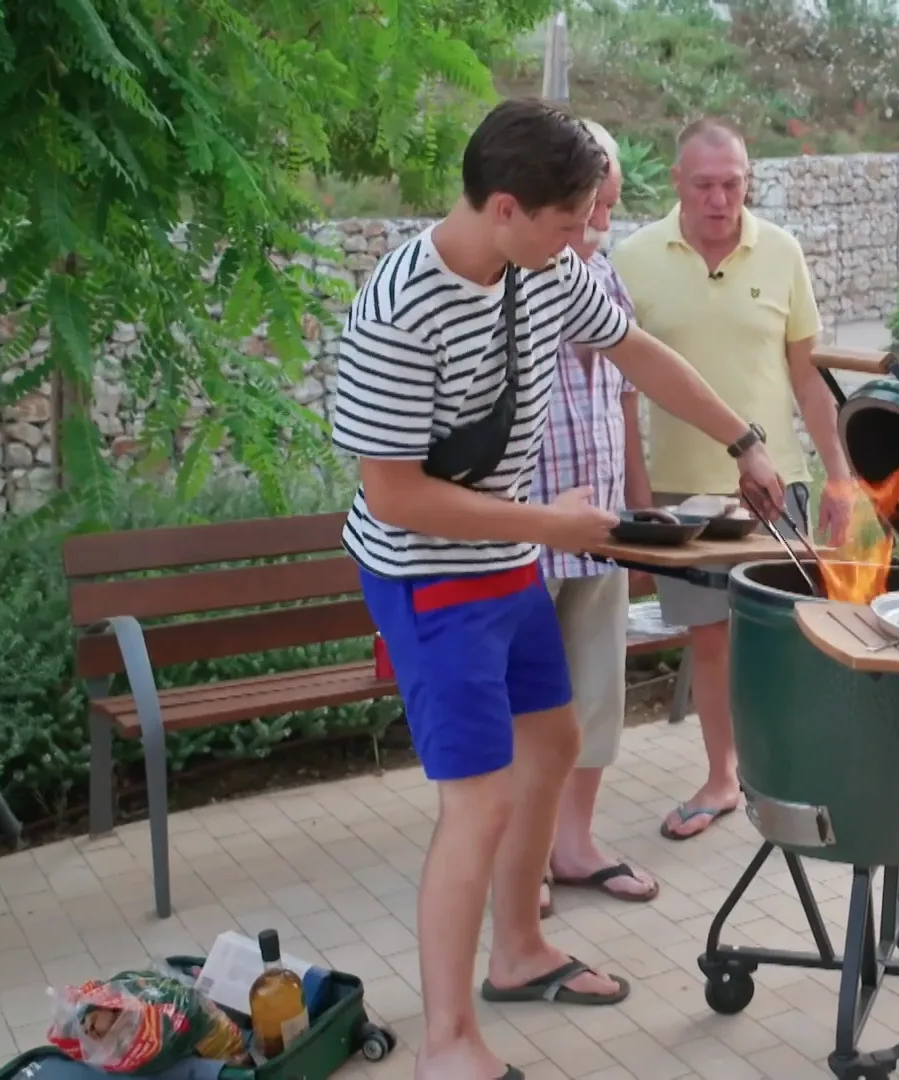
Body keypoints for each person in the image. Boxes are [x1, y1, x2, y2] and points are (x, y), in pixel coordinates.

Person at [330, 98, 785, 1080]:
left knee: (553, 741)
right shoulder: (397, 313)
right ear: (505, 208)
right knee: (477, 804)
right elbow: (395, 494)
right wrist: (550, 525)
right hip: (426, 578)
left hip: (505, 562)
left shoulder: (543, 272)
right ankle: (448, 1044)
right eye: (572, 221)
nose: (586, 240)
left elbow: (637, 352)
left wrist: (743, 441)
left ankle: (521, 951)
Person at [610, 117, 854, 841]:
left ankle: (794, 770)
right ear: (676, 183)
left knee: (789, 634)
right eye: (704, 185)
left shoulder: (781, 252)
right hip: (682, 495)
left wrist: (840, 477)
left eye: (733, 184)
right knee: (711, 640)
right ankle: (723, 778)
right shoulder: (632, 259)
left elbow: (809, 379)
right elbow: (622, 392)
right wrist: (638, 494)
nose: (720, 200)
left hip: (778, 487)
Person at [528, 119, 661, 907]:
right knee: (527, 706)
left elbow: (627, 389)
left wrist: (638, 508)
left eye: (610, 206)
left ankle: (574, 844)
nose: (602, 224)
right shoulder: (505, 280)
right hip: (526, 535)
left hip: (601, 526)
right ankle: (525, 860)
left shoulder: (603, 276)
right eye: (592, 207)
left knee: (598, 694)